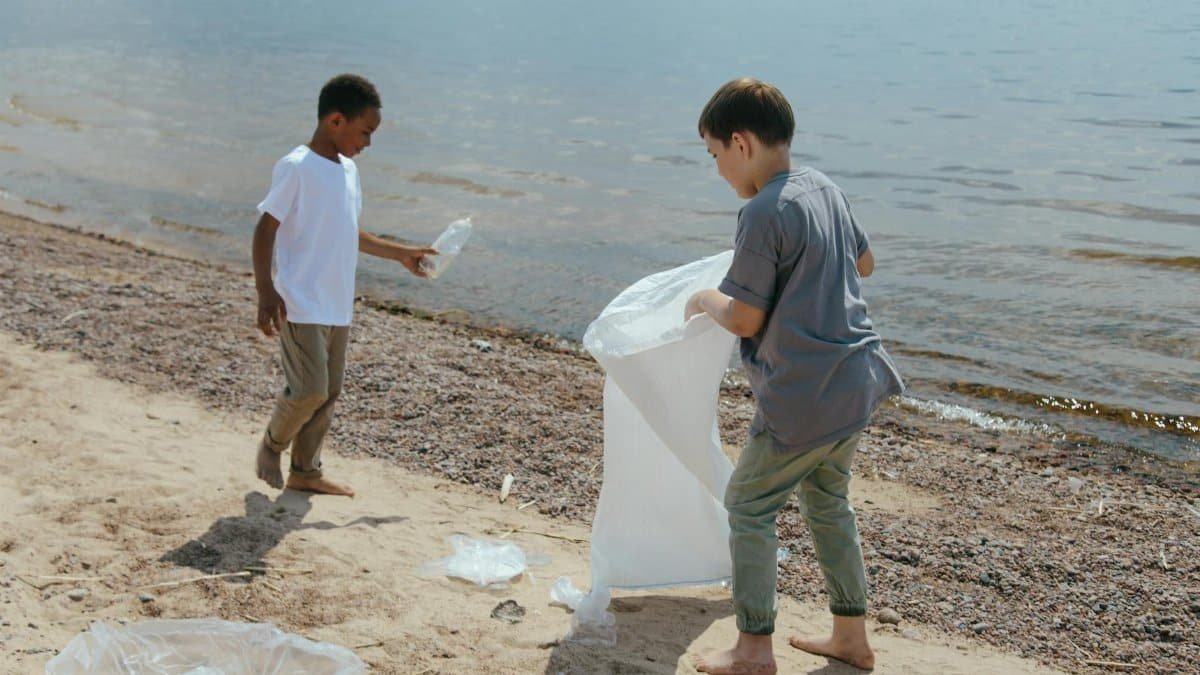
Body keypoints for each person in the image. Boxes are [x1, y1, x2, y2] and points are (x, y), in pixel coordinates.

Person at [686, 78, 904, 674]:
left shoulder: (760, 213)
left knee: (749, 505)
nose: (718, 170)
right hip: (858, 380)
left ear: (740, 142)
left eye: (715, 156)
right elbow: (864, 262)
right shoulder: (824, 188)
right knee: (828, 500)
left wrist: (707, 298)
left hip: (804, 397)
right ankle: (852, 637)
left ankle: (753, 649)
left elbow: (746, 315)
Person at [251, 73, 436, 497]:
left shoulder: (348, 172)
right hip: (299, 301)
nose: (368, 143)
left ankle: (306, 471)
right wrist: (266, 289)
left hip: (336, 303)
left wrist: (401, 253)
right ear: (336, 121)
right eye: (366, 131)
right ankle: (271, 445)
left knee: (328, 393)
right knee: (309, 389)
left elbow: (349, 233)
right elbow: (266, 227)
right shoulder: (297, 167)